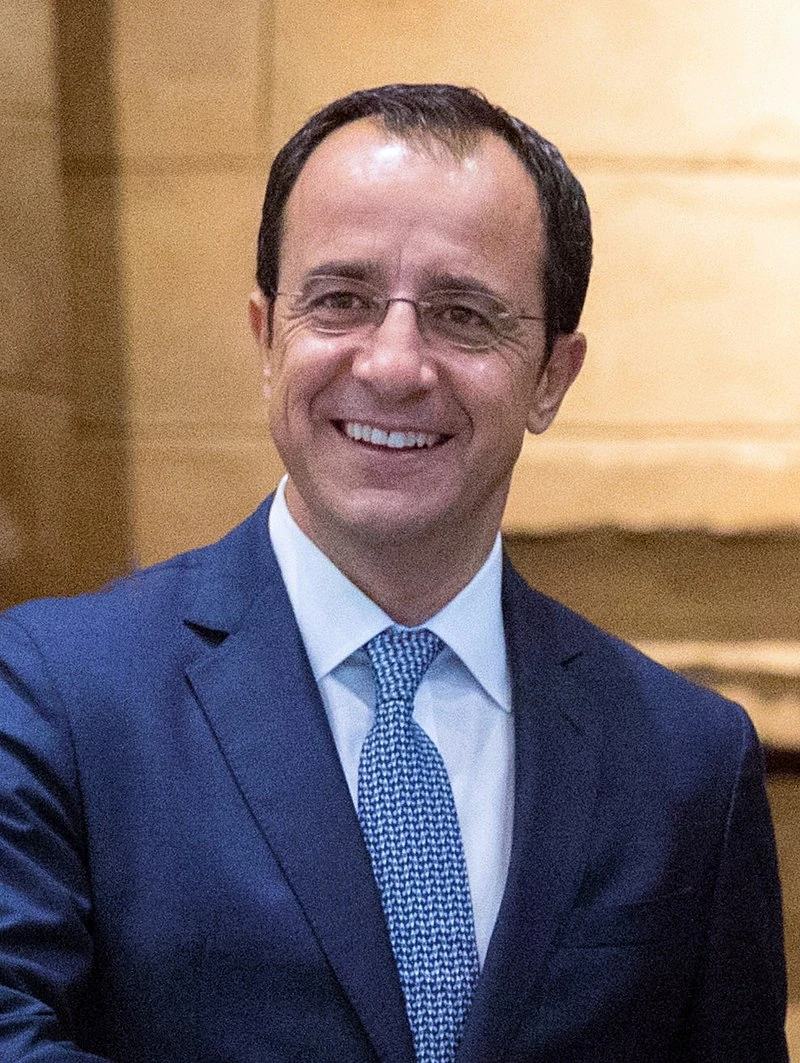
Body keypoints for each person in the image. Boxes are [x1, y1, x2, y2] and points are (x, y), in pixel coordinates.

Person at [0, 83, 787, 1062]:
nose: (393, 365)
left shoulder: (687, 762)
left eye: (463, 315)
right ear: (265, 336)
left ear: (551, 376)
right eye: (341, 301)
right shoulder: (57, 694)